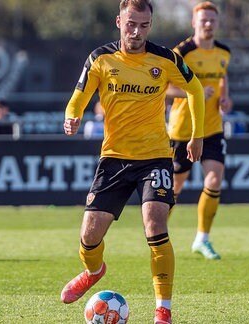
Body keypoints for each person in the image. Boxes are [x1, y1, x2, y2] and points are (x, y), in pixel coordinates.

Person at [60, 1, 205, 323]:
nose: (136, 31)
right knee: (89, 236)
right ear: (118, 21)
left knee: (155, 224)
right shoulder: (100, 59)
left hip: (155, 157)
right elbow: (79, 95)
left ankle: (163, 310)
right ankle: (93, 271)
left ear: (150, 25)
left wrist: (197, 136)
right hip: (113, 158)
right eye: (130, 24)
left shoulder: (165, 59)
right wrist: (73, 116)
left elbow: (195, 89)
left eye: (143, 25)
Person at [166, 2, 231, 261]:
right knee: (175, 186)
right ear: (193, 23)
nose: (208, 24)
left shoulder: (224, 52)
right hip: (183, 129)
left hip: (212, 127)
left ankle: (202, 239)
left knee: (214, 179)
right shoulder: (182, 52)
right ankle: (157, 235)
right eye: (203, 20)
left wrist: (225, 99)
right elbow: (165, 88)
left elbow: (223, 80)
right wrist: (194, 92)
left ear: (217, 23)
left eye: (212, 20)